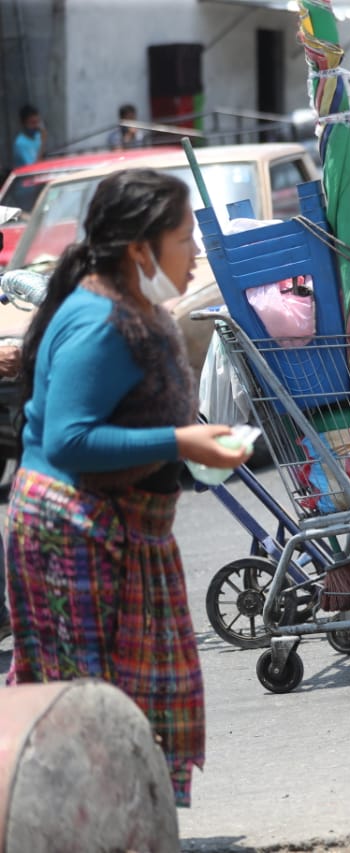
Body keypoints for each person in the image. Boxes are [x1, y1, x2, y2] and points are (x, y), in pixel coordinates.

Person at [3, 168, 251, 806]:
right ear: (141, 249)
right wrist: (180, 442)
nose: (195, 251)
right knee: (82, 705)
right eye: (185, 237)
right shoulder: (99, 323)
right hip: (72, 534)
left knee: (123, 698)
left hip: (120, 529)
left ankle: (118, 825)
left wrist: (187, 450)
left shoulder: (135, 307)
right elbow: (69, 441)